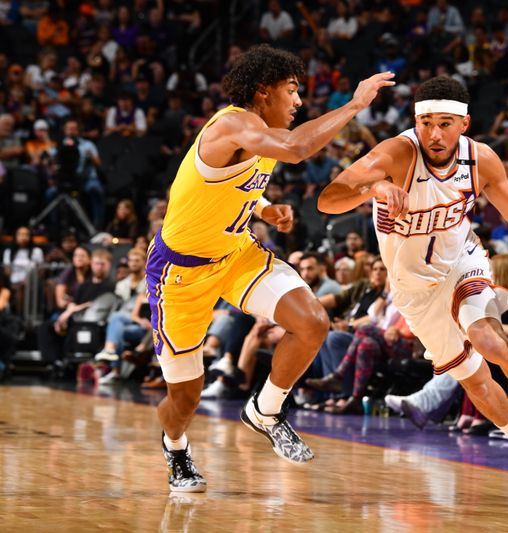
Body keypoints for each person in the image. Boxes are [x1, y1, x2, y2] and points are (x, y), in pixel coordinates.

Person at [318, 75, 508, 499]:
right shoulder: (396, 154)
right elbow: (328, 199)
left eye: (445, 123)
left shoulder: (481, 160)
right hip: (413, 291)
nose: (434, 134)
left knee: (489, 340)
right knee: (474, 381)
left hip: (462, 263)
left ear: (464, 124)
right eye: (425, 123)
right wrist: (375, 186)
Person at [146, 44, 393, 492]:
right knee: (185, 398)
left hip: (236, 254)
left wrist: (262, 209)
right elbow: (297, 150)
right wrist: (355, 104)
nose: (299, 102)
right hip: (179, 274)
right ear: (263, 91)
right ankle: (175, 446)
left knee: (313, 322)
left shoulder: (260, 132)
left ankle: (266, 409)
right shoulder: (235, 125)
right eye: (292, 91)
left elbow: (221, 185)